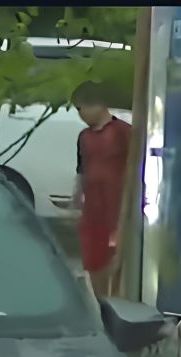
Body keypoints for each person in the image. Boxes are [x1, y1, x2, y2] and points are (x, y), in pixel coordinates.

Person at [72, 80, 132, 296]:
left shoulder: (123, 132)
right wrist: (77, 198)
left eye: (81, 108)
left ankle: (114, 301)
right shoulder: (84, 137)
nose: (81, 114)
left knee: (115, 257)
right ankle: (99, 302)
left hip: (117, 207)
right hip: (93, 210)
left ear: (97, 105)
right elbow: (81, 169)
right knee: (93, 260)